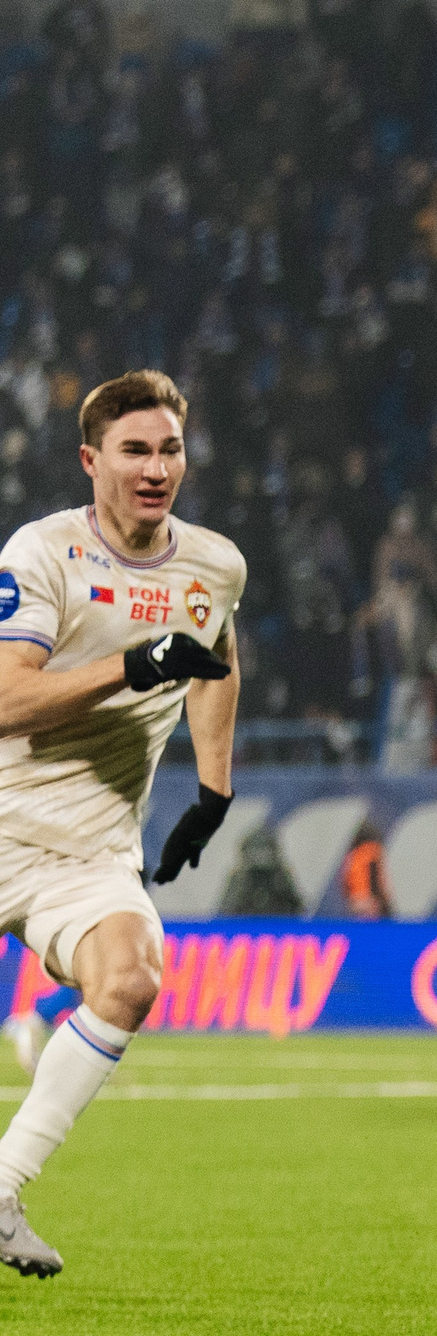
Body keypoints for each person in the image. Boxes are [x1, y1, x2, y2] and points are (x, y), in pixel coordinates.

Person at [0, 370, 244, 1276]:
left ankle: (1, 1189)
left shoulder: (214, 565)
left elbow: (219, 648)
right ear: (90, 460)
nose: (155, 467)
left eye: (169, 449)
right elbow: (6, 700)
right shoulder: (42, 554)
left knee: (133, 976)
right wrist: (131, 667)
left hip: (92, 847)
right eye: (135, 450)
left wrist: (212, 788)